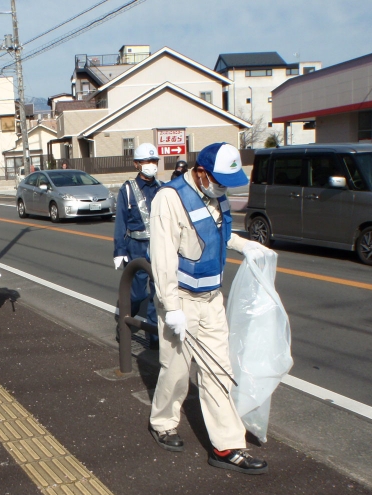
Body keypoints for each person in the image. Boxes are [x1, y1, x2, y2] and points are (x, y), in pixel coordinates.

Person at [148, 142, 272, 474]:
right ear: (201, 172)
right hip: (181, 300)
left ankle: (226, 446)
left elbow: (221, 232)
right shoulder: (169, 199)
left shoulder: (217, 195)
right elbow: (161, 258)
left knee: (218, 370)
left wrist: (247, 245)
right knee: (175, 370)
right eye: (218, 180)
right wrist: (171, 308)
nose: (222, 188)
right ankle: (162, 421)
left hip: (212, 299)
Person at [113, 143, 163, 339]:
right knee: (137, 293)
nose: (151, 164)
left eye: (154, 161)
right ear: (136, 164)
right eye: (146, 161)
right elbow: (121, 222)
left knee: (157, 292)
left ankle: (154, 335)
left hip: (159, 245)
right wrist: (119, 250)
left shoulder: (162, 188)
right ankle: (124, 322)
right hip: (136, 246)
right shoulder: (127, 189)